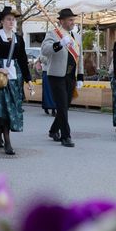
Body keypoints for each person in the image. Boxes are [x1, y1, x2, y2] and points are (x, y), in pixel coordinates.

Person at [0, 6, 32, 155]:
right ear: (2, 21)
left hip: (15, 76)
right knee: (2, 107)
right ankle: (7, 140)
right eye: (8, 19)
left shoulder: (18, 38)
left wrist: (28, 79)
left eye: (13, 19)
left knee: (12, 106)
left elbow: (23, 59)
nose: (11, 22)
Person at [41, 8, 84, 148]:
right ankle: (66, 136)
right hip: (57, 75)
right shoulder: (53, 34)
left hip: (71, 75)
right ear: (62, 21)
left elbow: (80, 57)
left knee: (65, 106)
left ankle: (53, 130)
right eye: (70, 20)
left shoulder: (76, 36)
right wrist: (59, 44)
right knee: (62, 105)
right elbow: (45, 50)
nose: (73, 22)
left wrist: (81, 77)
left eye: (73, 19)